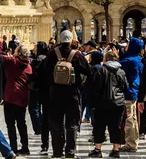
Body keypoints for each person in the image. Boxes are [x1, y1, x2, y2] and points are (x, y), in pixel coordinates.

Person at [44, 29, 92, 159]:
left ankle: (57, 152)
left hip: (55, 93)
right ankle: (70, 152)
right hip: (72, 93)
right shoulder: (76, 55)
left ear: (60, 39)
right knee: (72, 124)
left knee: (56, 124)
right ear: (71, 41)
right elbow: (88, 71)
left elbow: (44, 73)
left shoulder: (51, 54)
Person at [88, 50, 128, 158]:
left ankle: (98, 149)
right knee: (116, 126)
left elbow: (95, 87)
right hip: (118, 103)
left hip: (102, 103)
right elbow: (126, 87)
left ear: (106, 59)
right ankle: (116, 150)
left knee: (99, 126)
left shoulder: (101, 70)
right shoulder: (121, 71)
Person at [2, 45, 33, 155]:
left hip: (10, 97)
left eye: (15, 51)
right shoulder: (28, 65)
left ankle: (13, 148)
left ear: (19, 53)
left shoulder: (12, 61)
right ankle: (25, 147)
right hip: (22, 97)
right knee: (21, 123)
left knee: (10, 124)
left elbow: (0, 57)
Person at [119, 36, 143, 153]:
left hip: (128, 92)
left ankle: (131, 144)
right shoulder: (136, 58)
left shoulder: (130, 61)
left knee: (129, 118)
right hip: (133, 91)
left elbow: (118, 65)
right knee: (132, 118)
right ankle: (133, 141)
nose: (126, 46)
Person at [28, 41, 50, 155]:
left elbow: (33, 75)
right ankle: (46, 143)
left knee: (33, 109)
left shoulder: (37, 60)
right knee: (46, 115)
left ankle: (38, 130)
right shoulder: (49, 59)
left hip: (36, 90)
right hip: (47, 91)